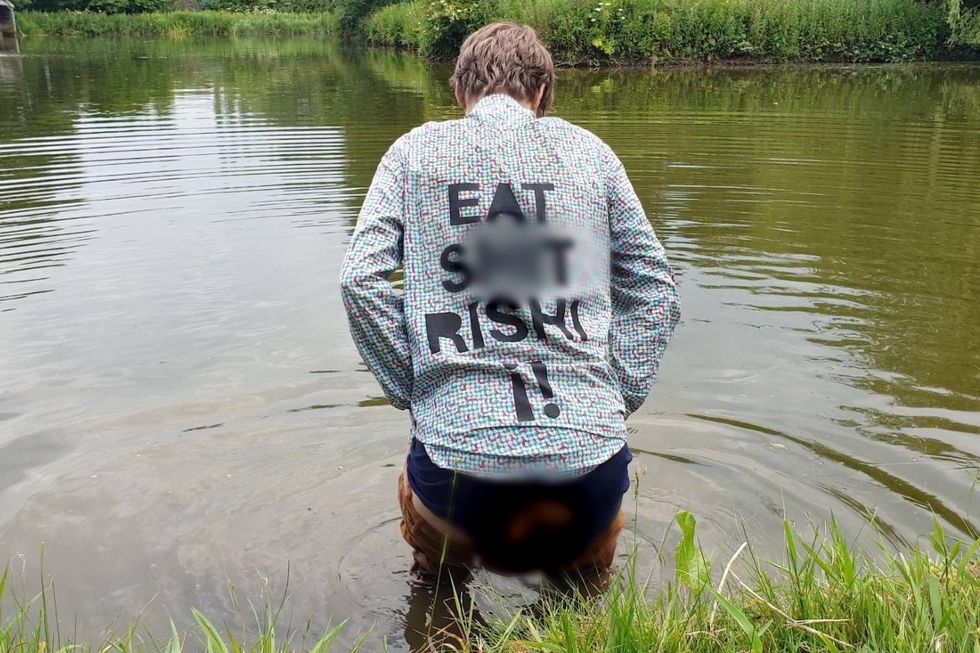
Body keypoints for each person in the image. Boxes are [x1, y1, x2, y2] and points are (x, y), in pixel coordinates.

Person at [340, 22, 680, 583]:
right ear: (542, 94)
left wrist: (412, 385)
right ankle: (578, 600)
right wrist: (614, 392)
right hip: (586, 471)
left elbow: (361, 280)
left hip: (455, 480)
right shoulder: (591, 155)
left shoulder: (412, 153)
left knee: (436, 575)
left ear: (459, 93)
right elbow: (654, 284)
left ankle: (441, 607)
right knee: (580, 599)